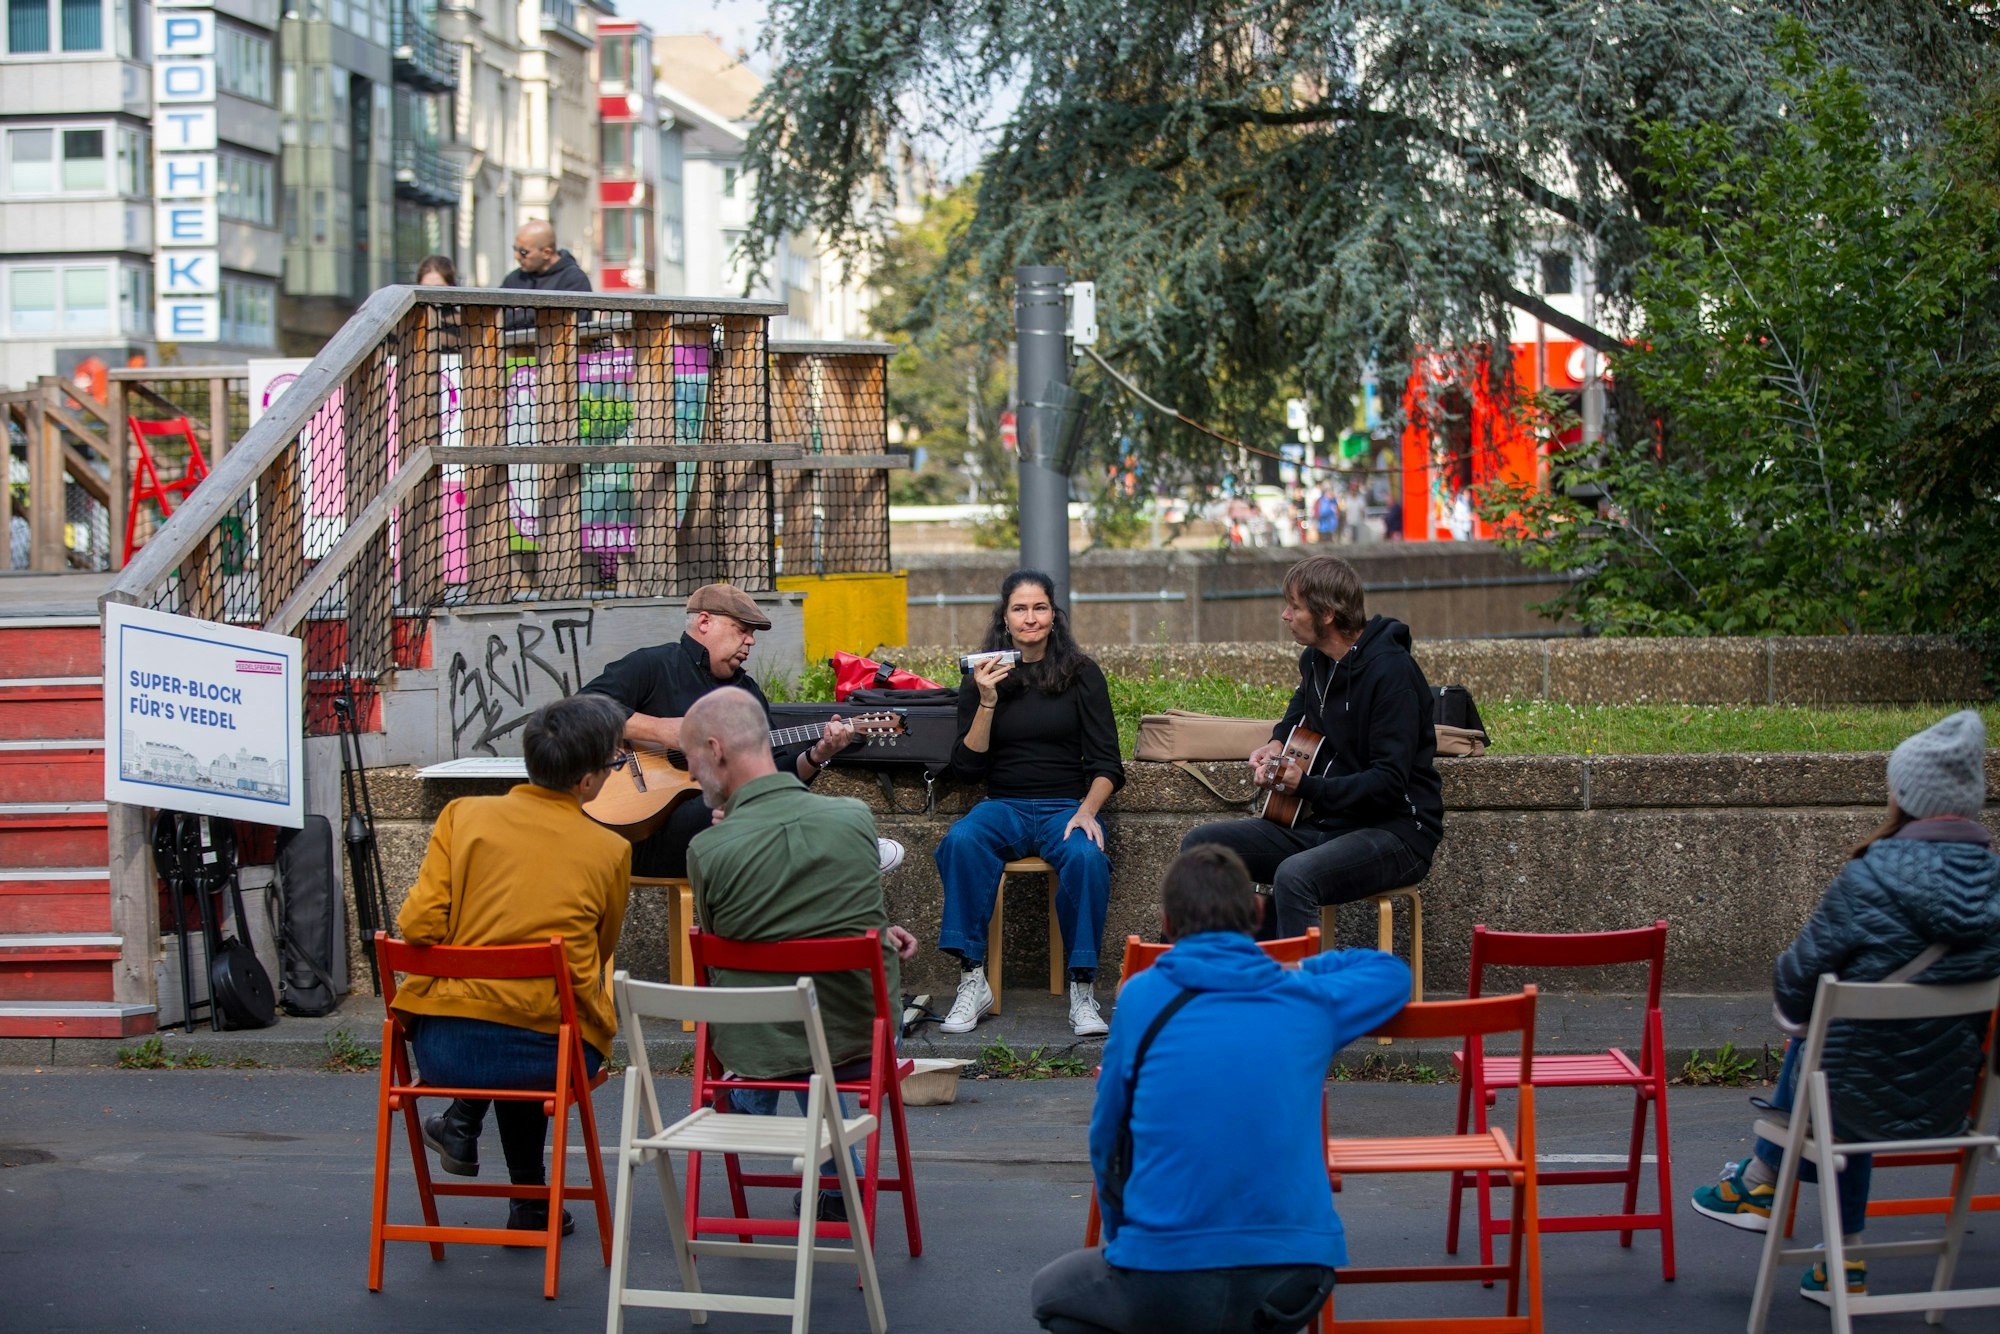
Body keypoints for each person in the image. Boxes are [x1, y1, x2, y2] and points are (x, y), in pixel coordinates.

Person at [1030, 844, 1411, 1334]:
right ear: (1256, 913)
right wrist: (1296, 968)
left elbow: (1106, 1140)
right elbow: (1389, 972)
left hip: (1167, 1272)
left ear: (1167, 924)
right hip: (1295, 1277)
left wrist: (1126, 1242)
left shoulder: (1143, 996)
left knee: (1051, 1295)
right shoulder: (1307, 999)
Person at [1691, 710, 2000, 1302]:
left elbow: (1795, 982)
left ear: (1905, 794)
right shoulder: (1993, 883)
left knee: (1828, 1053)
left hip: (1850, 1102)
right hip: (1952, 1103)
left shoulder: (1870, 877)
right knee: (1843, 1049)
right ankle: (1837, 1259)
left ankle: (1762, 1186)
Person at [680, 687, 920, 1221]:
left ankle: (743, 1101)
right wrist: (876, 937)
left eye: (691, 761)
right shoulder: (853, 818)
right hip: (862, 1036)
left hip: (759, 1049)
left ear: (716, 750)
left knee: (791, 1017)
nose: (692, 775)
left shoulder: (707, 850)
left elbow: (728, 950)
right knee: (815, 1020)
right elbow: (833, 917)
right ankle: (839, 1186)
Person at [397, 693, 632, 1236]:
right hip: (549, 1054)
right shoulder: (610, 849)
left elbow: (417, 928)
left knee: (508, 1019)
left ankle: (475, 1136)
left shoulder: (462, 815)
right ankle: (523, 1196)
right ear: (588, 782)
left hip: (444, 1050)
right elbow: (596, 951)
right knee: (540, 1018)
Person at [1180, 556, 1442, 940]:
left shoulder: (1392, 674)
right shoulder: (1316, 660)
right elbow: (1300, 707)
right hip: (1325, 823)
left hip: (1396, 832)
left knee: (1295, 875)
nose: (1285, 615)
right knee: (1203, 847)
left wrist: (1305, 787)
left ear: (1328, 614)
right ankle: (1234, 969)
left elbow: (1388, 781)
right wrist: (1275, 744)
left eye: (1295, 606)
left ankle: (1298, 993)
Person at [935, 570, 1125, 1038]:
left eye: (1039, 607)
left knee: (1085, 857)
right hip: (1006, 807)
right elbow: (967, 767)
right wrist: (986, 700)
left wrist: (1086, 812)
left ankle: (1082, 988)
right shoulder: (984, 676)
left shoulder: (1082, 674)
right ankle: (972, 979)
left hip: (1065, 806)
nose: (1030, 617)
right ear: (1005, 617)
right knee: (961, 840)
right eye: (1019, 609)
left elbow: (1108, 764)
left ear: (1053, 616)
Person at [578, 582, 866, 878]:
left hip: (725, 834)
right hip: (643, 836)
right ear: (705, 622)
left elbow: (773, 774)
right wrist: (662, 730)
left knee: (754, 801)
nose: (751, 641)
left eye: (753, 634)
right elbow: (580, 711)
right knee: (736, 806)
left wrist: (818, 755)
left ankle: (834, 854)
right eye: (743, 629)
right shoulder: (652, 665)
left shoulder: (747, 692)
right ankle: (838, 851)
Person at [500, 219, 592, 327]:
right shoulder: (515, 278)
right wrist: (533, 314)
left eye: (523, 252)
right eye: (515, 249)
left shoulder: (574, 279)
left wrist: (521, 313)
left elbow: (563, 325)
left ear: (546, 253)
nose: (516, 256)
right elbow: (496, 316)